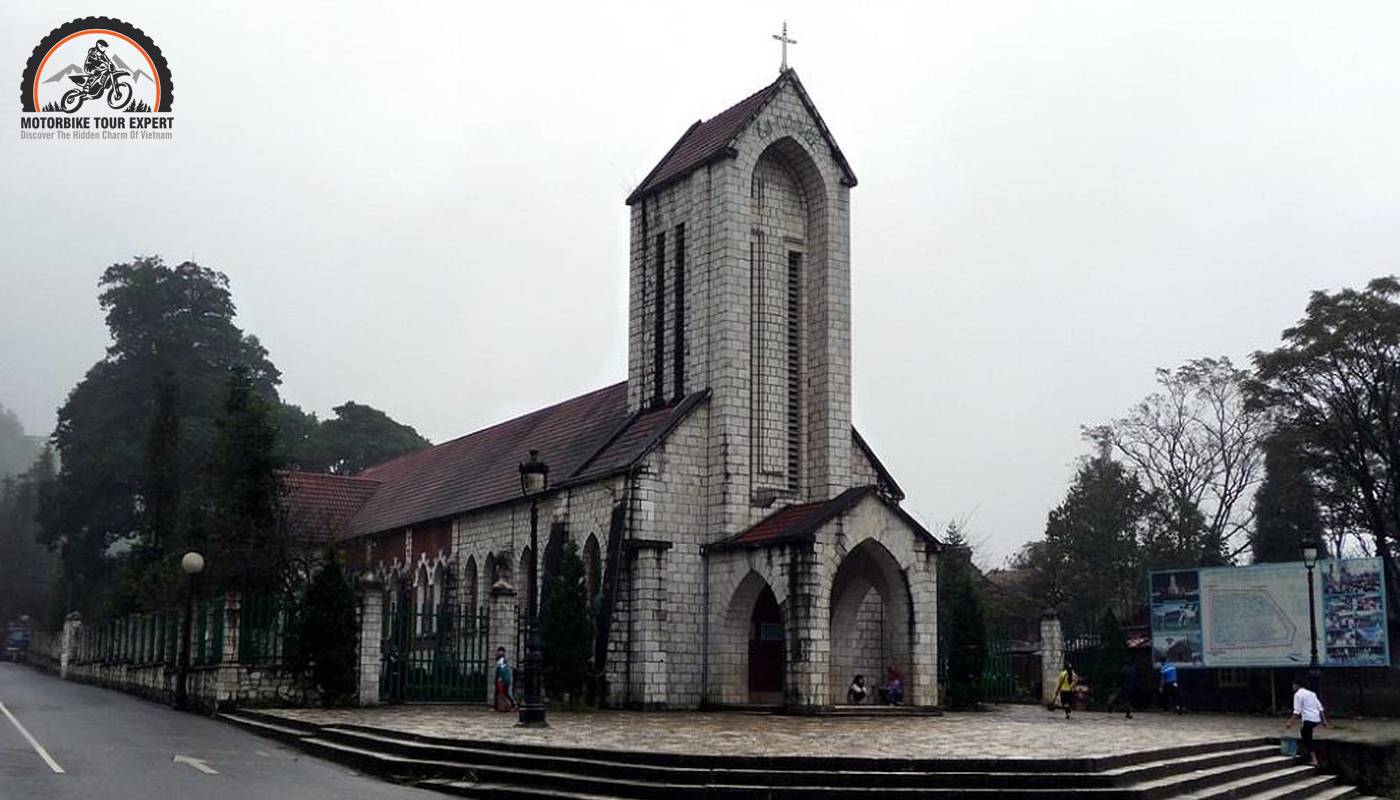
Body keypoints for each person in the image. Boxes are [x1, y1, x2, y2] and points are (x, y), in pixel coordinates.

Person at [1284, 676, 1328, 765]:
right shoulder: (1312, 694)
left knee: (1306, 737)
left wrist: (1290, 722)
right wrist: (1324, 721)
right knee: (1305, 734)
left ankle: (1314, 759)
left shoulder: (1298, 695)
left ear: (1297, 685)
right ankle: (1308, 755)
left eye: (1293, 685)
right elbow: (1320, 708)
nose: (1293, 687)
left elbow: (1297, 711)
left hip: (1308, 718)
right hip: (1316, 718)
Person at [493, 646, 515, 712]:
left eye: (500, 651)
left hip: (503, 679)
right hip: (503, 678)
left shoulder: (501, 660)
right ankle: (497, 706)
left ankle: (513, 705)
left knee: (504, 692)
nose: (499, 652)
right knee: (499, 692)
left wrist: (500, 677)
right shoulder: (501, 659)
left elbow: (502, 670)